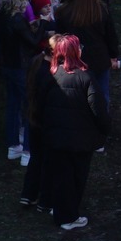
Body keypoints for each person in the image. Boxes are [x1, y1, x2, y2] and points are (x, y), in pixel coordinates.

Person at [33, 33, 107, 230]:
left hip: (55, 137)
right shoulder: (86, 77)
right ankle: (68, 217)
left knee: (60, 175)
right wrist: (104, 130)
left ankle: (57, 208)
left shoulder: (51, 74)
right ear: (75, 52)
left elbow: (40, 106)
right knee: (76, 178)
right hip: (81, 139)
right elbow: (98, 109)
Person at [0, 0, 45, 161]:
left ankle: (13, 145)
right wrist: (43, 25)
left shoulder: (0, 16)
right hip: (21, 68)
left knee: (13, 105)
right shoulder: (17, 20)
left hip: (7, 66)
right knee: (31, 106)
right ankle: (28, 151)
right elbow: (32, 42)